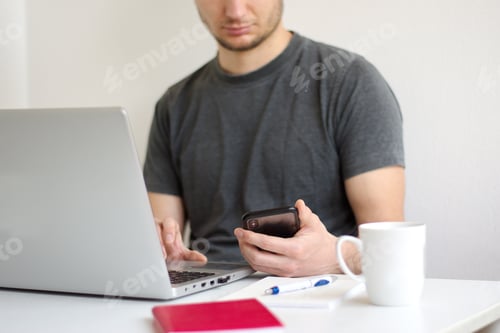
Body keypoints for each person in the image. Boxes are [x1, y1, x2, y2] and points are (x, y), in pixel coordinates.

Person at [143, 0, 405, 277]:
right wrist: (162, 252)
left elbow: (392, 251)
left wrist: (335, 258)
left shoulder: (350, 82)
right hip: (208, 298)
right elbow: (159, 239)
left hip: (319, 298)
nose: (235, 12)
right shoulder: (174, 105)